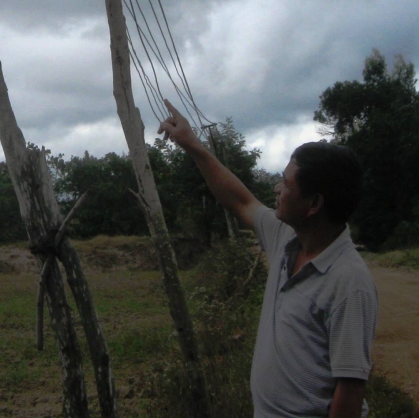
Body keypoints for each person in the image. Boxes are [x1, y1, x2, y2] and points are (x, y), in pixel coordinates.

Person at [158, 100, 378, 418]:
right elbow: (241, 201)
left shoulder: (349, 282)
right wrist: (193, 146)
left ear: (314, 203)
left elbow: (351, 391)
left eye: (286, 184)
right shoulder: (286, 237)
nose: (276, 188)